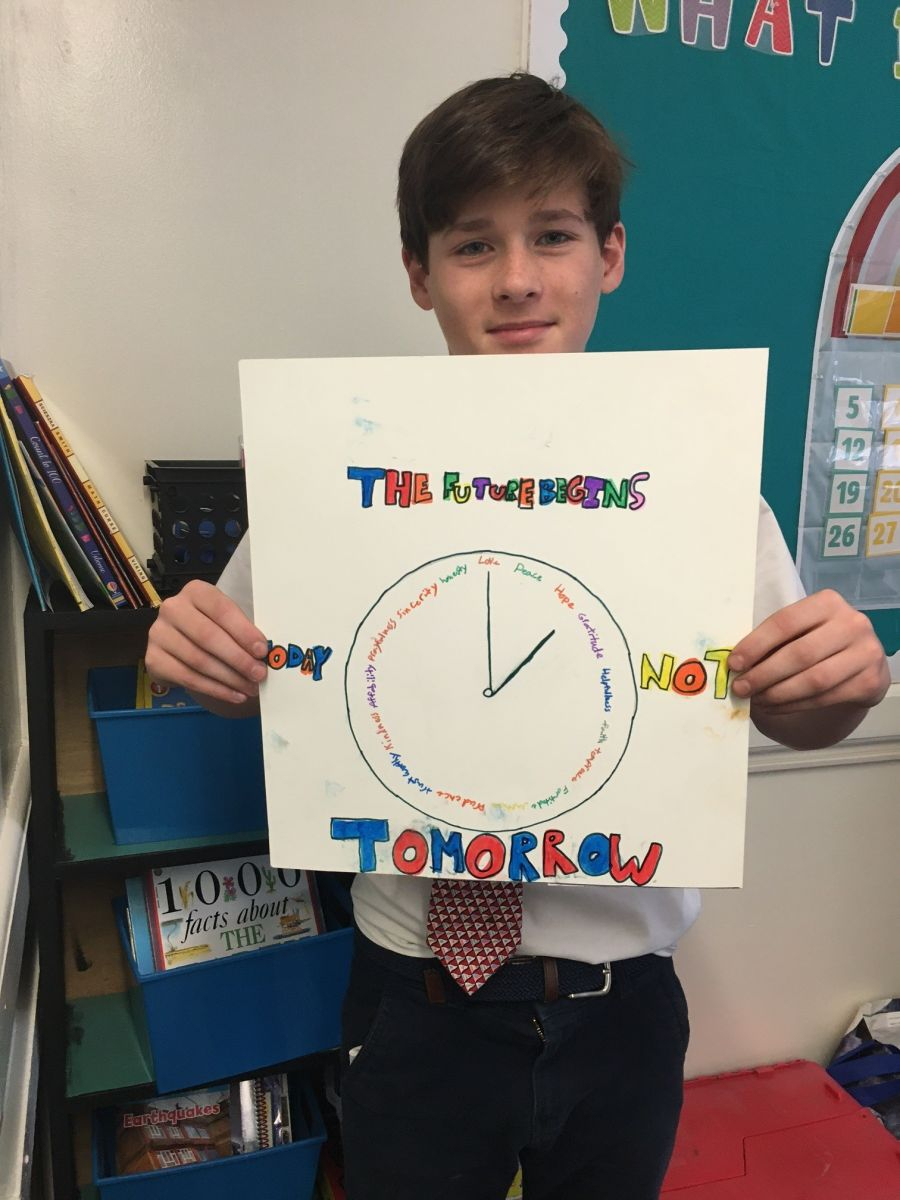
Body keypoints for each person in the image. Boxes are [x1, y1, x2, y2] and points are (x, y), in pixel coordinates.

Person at [144, 73, 891, 1200]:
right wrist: (201, 659)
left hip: (620, 997)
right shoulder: (333, 483)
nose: (519, 280)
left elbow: (794, 705)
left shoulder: (702, 495)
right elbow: (254, 673)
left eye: (553, 236)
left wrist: (830, 688)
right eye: (472, 245)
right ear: (419, 274)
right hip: (414, 994)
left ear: (612, 255)